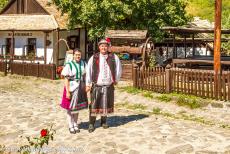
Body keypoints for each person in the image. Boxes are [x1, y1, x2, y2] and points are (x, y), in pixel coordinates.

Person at [86, 39, 122, 133]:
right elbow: (88, 70)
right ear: (99, 47)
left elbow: (118, 69)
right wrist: (88, 83)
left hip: (108, 85)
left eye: (105, 46)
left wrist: (116, 80)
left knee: (105, 104)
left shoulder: (114, 57)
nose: (104, 48)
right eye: (102, 46)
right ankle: (91, 123)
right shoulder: (94, 57)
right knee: (94, 105)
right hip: (97, 85)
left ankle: (103, 122)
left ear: (108, 47)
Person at [60, 48, 88, 134]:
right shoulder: (69, 65)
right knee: (70, 108)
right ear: (73, 55)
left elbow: (86, 75)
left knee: (77, 107)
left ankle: (75, 124)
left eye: (79, 55)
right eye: (76, 55)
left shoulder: (83, 63)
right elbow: (66, 79)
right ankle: (70, 125)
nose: (78, 56)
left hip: (80, 87)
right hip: (71, 88)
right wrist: (68, 91)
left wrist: (87, 86)